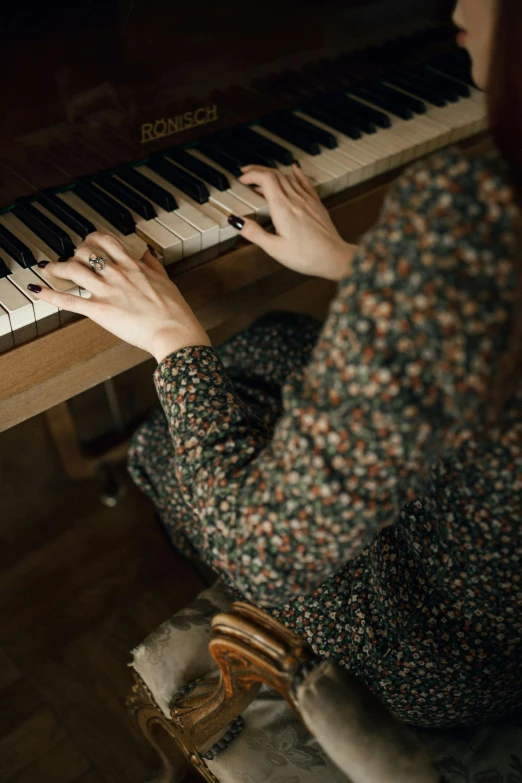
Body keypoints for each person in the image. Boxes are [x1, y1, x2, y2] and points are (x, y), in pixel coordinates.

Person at [30, 0, 521, 728]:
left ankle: (128, 467)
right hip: (492, 551)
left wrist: (173, 340)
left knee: (170, 440)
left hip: (440, 642)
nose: (457, 2)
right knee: (270, 340)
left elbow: (259, 546)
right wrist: (356, 264)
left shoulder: (469, 219)